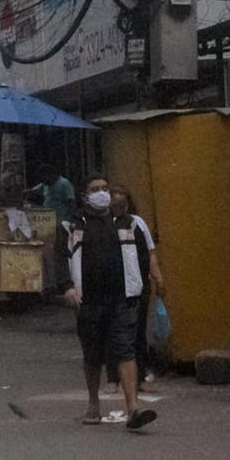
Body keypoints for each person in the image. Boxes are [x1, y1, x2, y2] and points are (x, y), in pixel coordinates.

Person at [62, 176, 162, 430]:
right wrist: (69, 288)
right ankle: (93, 403)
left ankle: (133, 409)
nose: (102, 193)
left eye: (104, 189)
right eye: (95, 189)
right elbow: (61, 256)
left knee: (125, 349)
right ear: (86, 195)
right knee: (93, 354)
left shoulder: (126, 223)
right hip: (89, 300)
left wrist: (140, 287)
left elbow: (144, 255)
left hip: (120, 298)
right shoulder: (74, 224)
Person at [107, 186, 165, 389]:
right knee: (114, 333)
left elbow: (150, 253)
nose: (119, 208)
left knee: (138, 333)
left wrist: (158, 279)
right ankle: (113, 379)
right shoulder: (105, 225)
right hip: (113, 287)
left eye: (122, 204)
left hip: (138, 286)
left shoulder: (137, 223)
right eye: (115, 205)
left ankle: (139, 377)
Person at [35, 164, 75, 297]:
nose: (43, 181)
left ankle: (61, 284)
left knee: (59, 254)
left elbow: (71, 203)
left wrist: (71, 222)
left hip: (61, 224)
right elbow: (33, 191)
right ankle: (50, 284)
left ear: (51, 174)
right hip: (48, 225)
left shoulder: (64, 184)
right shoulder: (45, 185)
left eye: (44, 177)